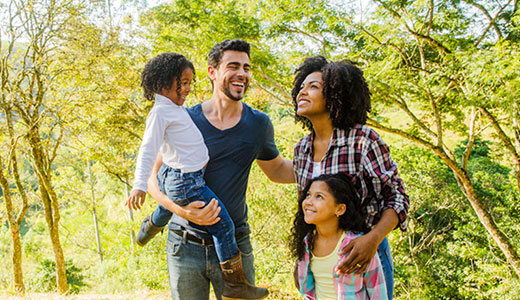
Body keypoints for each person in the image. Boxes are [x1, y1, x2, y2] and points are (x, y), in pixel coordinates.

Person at [128, 39, 295, 300]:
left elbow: (278, 171)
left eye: (247, 68)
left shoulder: (258, 124)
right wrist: (180, 210)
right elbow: (154, 175)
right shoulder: (184, 116)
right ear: (212, 72)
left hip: (234, 244)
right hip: (184, 245)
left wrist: (323, 166)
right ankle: (152, 224)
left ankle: (235, 282)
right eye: (233, 66)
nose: (242, 73)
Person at [291, 56, 409, 299]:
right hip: (318, 258)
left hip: (363, 256)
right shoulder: (301, 149)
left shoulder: (363, 140)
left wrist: (373, 240)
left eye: (313, 86)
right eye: (301, 86)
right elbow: (307, 211)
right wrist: (302, 257)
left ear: (335, 95)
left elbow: (397, 198)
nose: (302, 92)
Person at [292, 173, 388, 300]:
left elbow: (378, 293)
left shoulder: (358, 246)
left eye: (319, 196)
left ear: (340, 209)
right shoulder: (307, 244)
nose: (308, 201)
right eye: (308, 195)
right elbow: (308, 292)